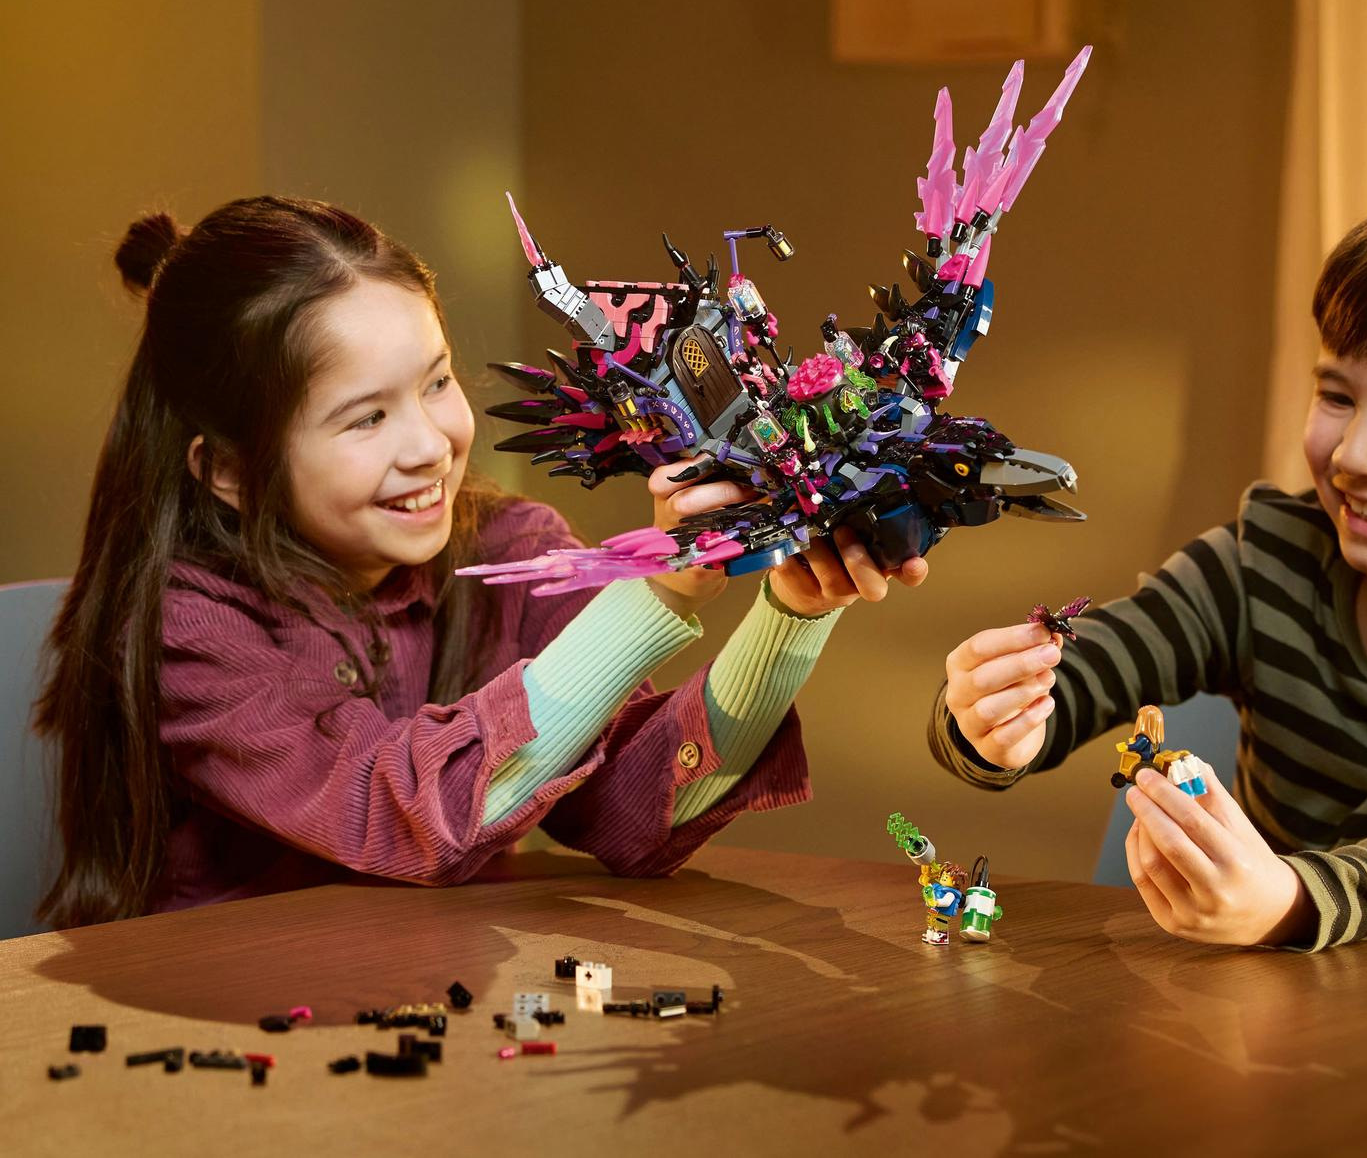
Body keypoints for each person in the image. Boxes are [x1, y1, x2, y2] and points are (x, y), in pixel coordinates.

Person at [34, 195, 926, 927]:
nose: (430, 445)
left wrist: (792, 613)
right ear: (229, 468)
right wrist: (657, 589)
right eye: (366, 417)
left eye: (436, 382)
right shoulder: (189, 628)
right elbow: (405, 813)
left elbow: (637, 813)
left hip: (443, 1004)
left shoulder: (513, 550)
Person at [929, 178, 1367, 951]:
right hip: (1267, 1013)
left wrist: (1292, 899)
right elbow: (1096, 662)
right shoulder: (1267, 561)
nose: (1354, 455)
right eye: (1336, 396)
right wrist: (997, 715)